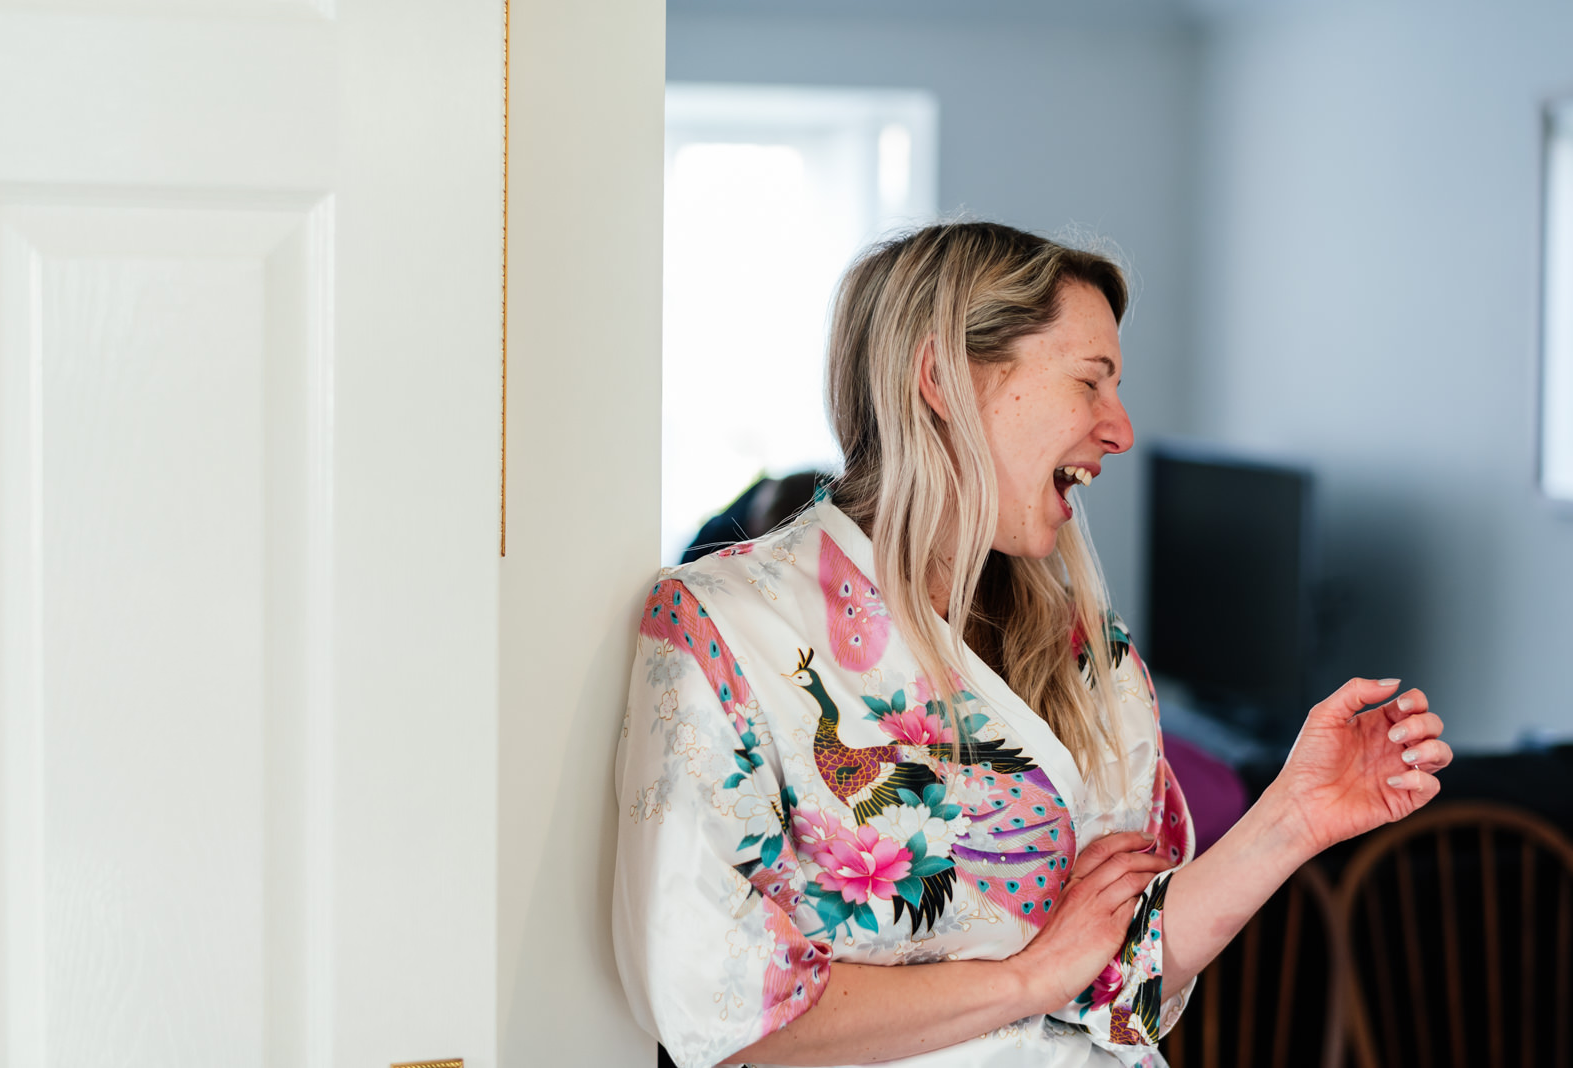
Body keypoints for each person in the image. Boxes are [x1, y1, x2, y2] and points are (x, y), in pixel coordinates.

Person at [612, 222, 1451, 1068]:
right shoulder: (723, 629)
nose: (1119, 430)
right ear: (942, 379)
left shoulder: (1085, 649)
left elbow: (1125, 980)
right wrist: (1032, 977)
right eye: (1092, 382)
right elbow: (718, 1014)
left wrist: (1293, 817)